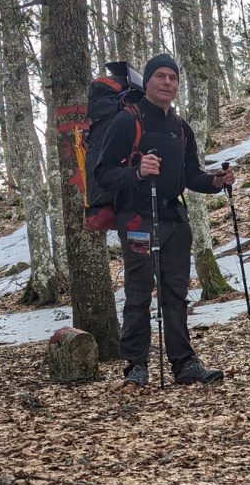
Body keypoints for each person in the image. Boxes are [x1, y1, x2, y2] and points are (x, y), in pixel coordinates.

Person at [96, 53, 234, 387]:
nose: (167, 82)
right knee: (139, 292)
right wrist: (137, 172)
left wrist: (216, 182)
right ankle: (135, 366)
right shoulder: (128, 120)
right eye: (160, 76)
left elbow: (190, 176)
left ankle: (184, 364)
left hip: (174, 217)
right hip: (137, 220)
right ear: (147, 81)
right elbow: (102, 174)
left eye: (173, 77)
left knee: (175, 293)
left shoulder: (181, 128)